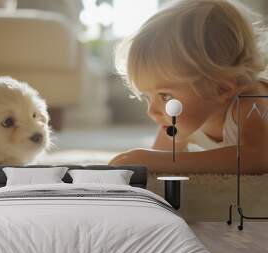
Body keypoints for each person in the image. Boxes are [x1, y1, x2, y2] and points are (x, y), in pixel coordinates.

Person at [109, 0, 268, 173]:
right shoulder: (181, 121)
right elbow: (159, 159)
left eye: (165, 96)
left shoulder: (251, 102)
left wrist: (164, 161)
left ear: (222, 89)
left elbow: (259, 157)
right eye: (146, 97)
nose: (152, 111)